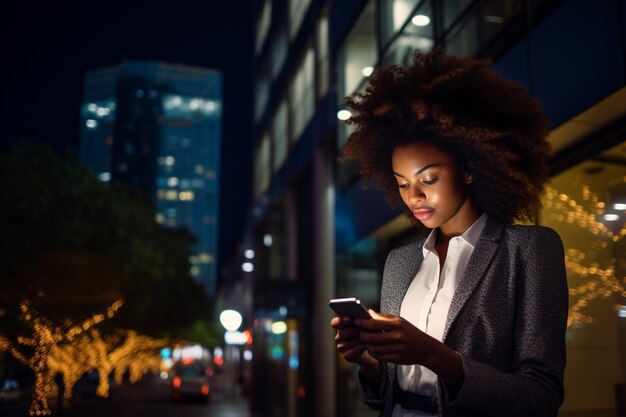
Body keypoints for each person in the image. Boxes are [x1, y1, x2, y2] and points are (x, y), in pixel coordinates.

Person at [330, 49, 568, 417]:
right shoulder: (400, 262)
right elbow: (387, 394)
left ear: (469, 169)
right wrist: (369, 362)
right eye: (403, 184)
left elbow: (541, 397)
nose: (415, 196)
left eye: (429, 179)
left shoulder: (529, 250)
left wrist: (433, 355)